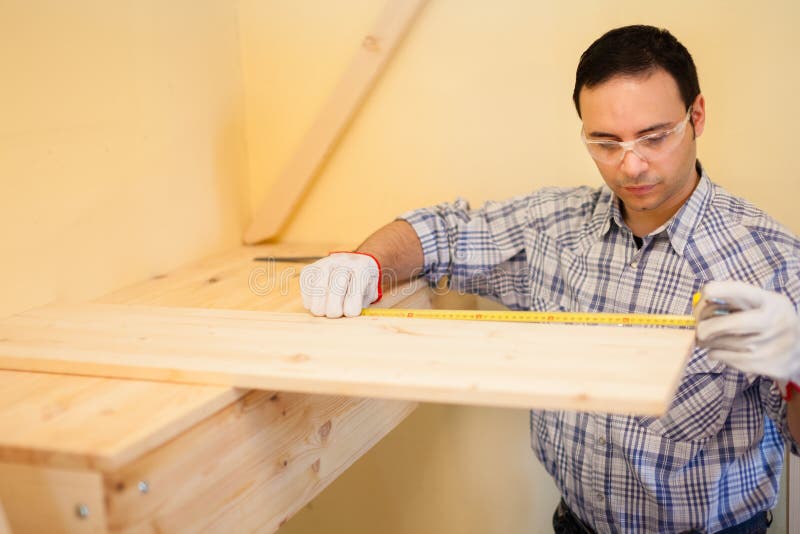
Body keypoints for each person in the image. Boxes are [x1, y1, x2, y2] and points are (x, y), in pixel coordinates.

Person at [299, 25, 800, 533]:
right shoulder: (553, 228)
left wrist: (797, 368)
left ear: (697, 116)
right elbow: (443, 232)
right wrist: (365, 263)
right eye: (605, 142)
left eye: (654, 137)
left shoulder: (772, 263)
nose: (631, 165)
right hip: (574, 524)